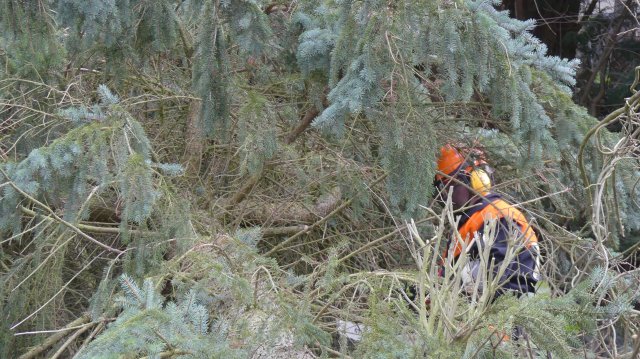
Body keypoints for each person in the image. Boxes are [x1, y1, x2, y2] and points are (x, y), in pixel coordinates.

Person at [434, 144, 540, 298]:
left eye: (450, 185)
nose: (444, 196)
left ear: (474, 179)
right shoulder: (468, 223)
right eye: (440, 189)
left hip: (502, 311)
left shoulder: (498, 215)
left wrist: (447, 288)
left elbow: (499, 275)